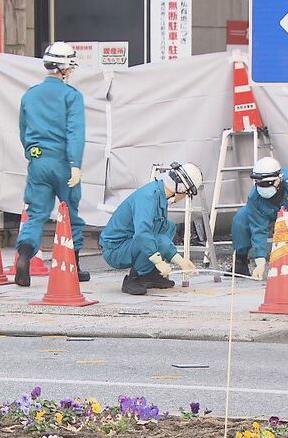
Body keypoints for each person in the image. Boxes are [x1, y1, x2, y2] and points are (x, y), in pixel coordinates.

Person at [14, 42, 89, 287]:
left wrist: (33, 154)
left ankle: (24, 256)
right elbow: (75, 133)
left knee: (35, 214)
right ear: (65, 68)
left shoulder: (30, 94)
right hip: (63, 162)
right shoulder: (72, 96)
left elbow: (24, 132)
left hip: (38, 161)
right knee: (70, 215)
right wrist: (75, 165)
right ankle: (74, 267)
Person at [99, 162, 202, 296]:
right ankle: (135, 278)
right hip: (115, 249)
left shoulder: (159, 194)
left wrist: (179, 260)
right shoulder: (147, 197)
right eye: (186, 194)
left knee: (168, 227)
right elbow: (143, 234)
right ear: (181, 188)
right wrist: (158, 261)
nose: (184, 197)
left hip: (128, 242)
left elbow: (159, 230)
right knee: (157, 240)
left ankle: (150, 274)